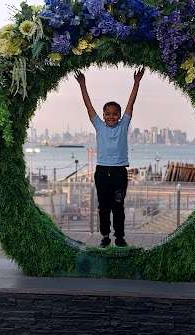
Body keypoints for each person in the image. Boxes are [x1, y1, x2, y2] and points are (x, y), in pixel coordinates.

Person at [74, 68, 145, 247]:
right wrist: (82, 84)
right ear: (103, 115)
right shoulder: (99, 125)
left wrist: (136, 82)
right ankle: (105, 236)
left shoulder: (124, 125)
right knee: (103, 207)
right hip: (102, 172)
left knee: (118, 206)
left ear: (120, 116)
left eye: (114, 114)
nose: (111, 116)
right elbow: (88, 106)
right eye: (107, 114)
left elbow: (131, 103)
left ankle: (119, 237)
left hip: (119, 173)